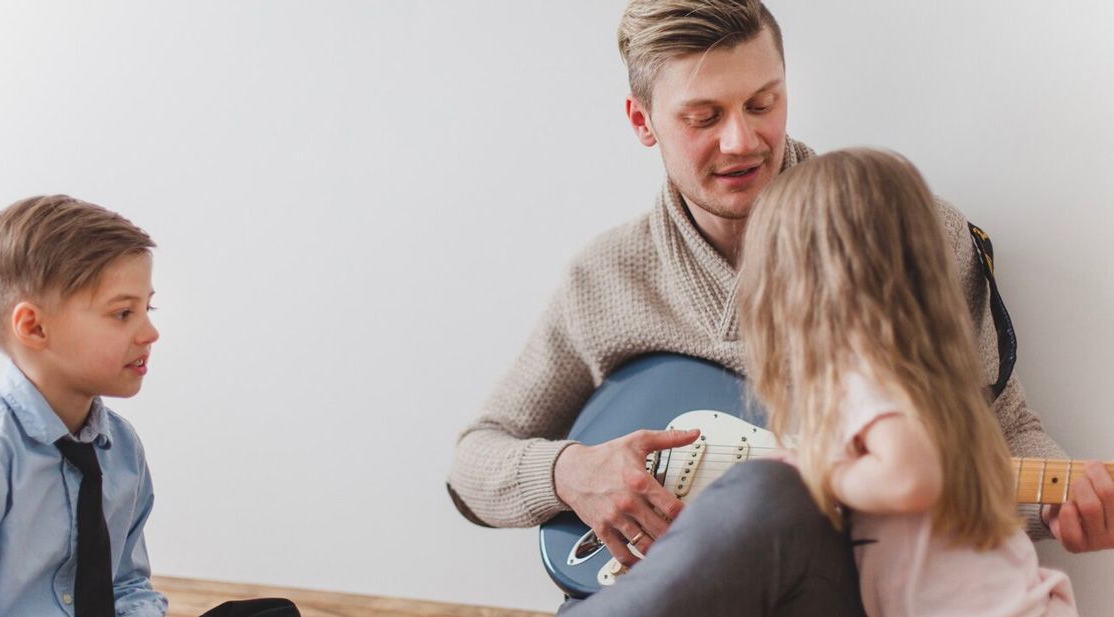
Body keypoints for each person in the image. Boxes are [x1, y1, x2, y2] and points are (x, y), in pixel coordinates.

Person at [447, 0, 1114, 607]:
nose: (742, 141)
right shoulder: (606, 279)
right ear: (642, 122)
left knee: (774, 488)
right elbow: (472, 461)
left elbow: (998, 424)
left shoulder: (906, 231)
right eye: (703, 118)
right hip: (649, 592)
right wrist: (569, 471)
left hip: (841, 586)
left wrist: (1061, 501)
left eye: (763, 103)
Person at [735, 148, 1078, 616]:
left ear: (803, 286)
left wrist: (815, 470)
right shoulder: (923, 376)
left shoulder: (867, 375)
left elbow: (908, 479)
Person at [0, 196, 168, 616]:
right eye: (123, 313)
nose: (150, 332)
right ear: (34, 327)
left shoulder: (121, 448)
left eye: (148, 307)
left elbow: (126, 582)